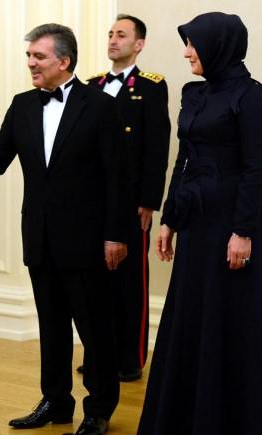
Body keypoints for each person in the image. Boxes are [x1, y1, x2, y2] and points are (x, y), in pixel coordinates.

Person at [135, 12, 262, 435]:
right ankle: (188, 428)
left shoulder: (252, 96)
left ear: (218, 46)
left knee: (235, 320)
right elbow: (182, 160)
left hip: (234, 223)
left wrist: (243, 232)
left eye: (193, 43)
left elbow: (254, 170)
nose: (187, 52)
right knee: (193, 316)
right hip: (197, 220)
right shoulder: (194, 93)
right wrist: (170, 219)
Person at [0, 23, 128, 435]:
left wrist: (115, 235)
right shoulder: (22, 106)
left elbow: (118, 177)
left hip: (87, 240)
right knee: (51, 326)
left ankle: (99, 408)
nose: (30, 63)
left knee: (95, 329)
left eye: (39, 57)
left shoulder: (100, 106)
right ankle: (55, 401)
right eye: (29, 56)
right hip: (40, 235)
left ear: (64, 61)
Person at [83, 14, 171, 382]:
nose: (113, 40)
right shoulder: (92, 85)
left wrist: (149, 201)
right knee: (93, 281)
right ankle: (97, 355)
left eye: (121, 35)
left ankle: (129, 357)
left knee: (130, 280)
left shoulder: (151, 86)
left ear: (139, 44)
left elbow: (157, 147)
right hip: (94, 200)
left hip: (133, 201)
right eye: (110, 34)